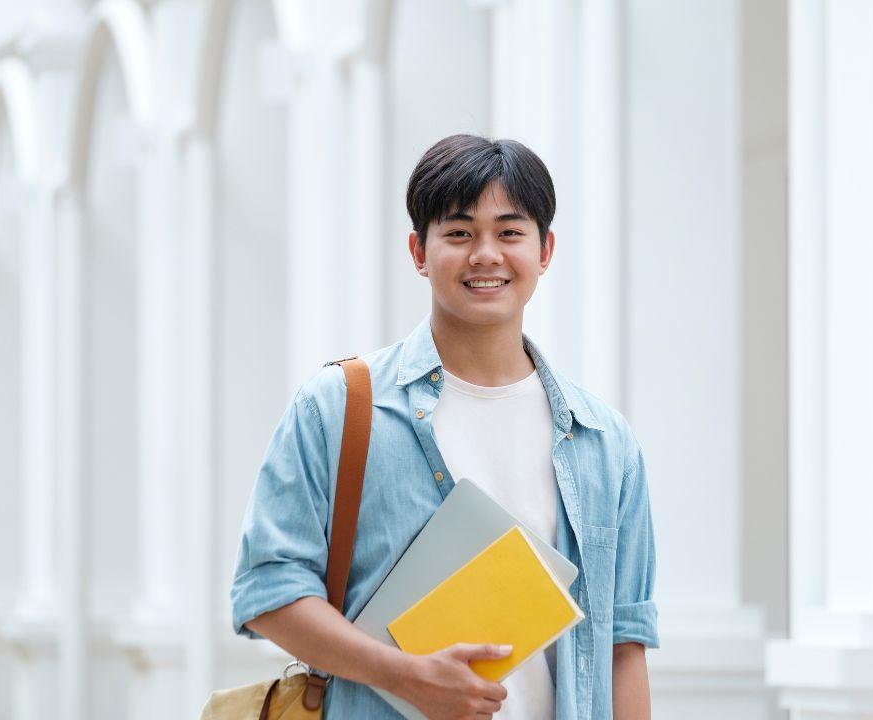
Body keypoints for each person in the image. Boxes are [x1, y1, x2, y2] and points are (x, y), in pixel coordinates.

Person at [231, 134, 658, 719]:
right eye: (458, 233)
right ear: (418, 251)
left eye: (510, 232)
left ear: (545, 249)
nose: (486, 254)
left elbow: (623, 645)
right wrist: (405, 675)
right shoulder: (338, 407)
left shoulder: (604, 442)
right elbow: (268, 590)